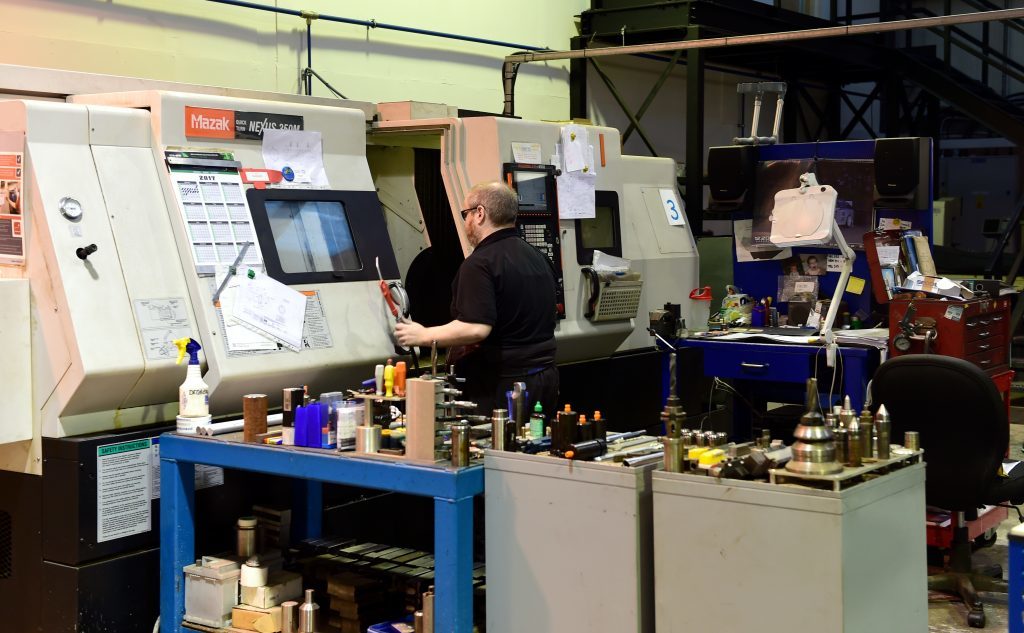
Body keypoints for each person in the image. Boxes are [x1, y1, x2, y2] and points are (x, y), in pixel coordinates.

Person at [396, 181, 559, 416]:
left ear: (480, 213)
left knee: (497, 451)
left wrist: (422, 335)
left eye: (465, 214)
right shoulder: (538, 256)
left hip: (504, 387)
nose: (465, 223)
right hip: (544, 380)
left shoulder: (479, 264)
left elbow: (476, 328)